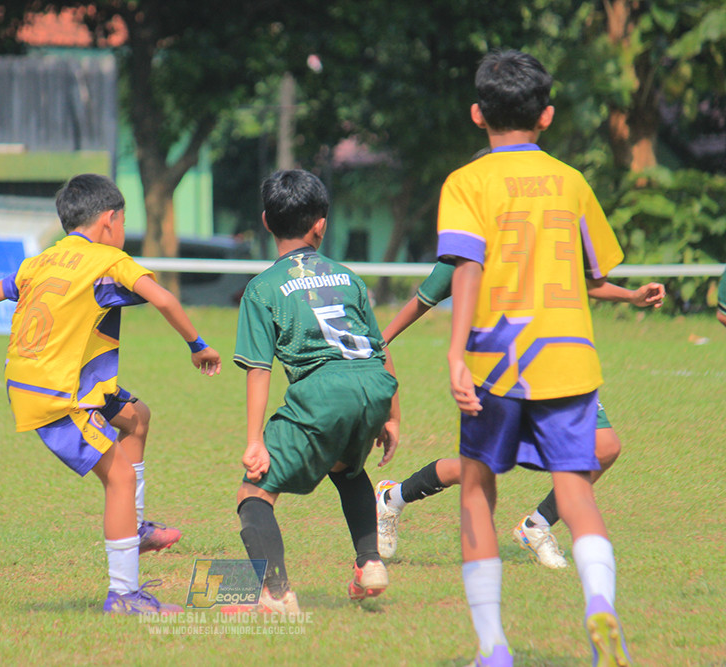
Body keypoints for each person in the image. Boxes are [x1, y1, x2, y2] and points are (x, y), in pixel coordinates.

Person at [0, 174, 222, 616]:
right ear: (110, 220)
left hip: (39, 381)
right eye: (123, 221)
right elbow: (166, 300)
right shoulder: (107, 260)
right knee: (119, 477)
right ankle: (124, 596)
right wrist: (198, 346)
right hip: (58, 395)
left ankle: (133, 527)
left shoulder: (41, 261)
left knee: (137, 417)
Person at [436, 50, 632, 666]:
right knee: (574, 491)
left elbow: (467, 266)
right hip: (569, 358)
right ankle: (600, 605)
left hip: (497, 360)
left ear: (476, 114)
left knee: (476, 491)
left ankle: (493, 646)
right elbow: (596, 269)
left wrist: (455, 351)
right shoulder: (572, 180)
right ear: (547, 116)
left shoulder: (466, 182)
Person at [374, 259, 665, 569]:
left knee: (605, 447)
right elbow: (423, 300)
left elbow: (584, 284)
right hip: (502, 371)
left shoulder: (545, 233)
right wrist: (380, 341)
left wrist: (631, 296)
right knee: (479, 469)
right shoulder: (471, 248)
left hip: (558, 364)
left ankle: (536, 527)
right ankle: (393, 498)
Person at [228, 169, 400, 615]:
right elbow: (380, 348)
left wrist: (254, 440)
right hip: (374, 384)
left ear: (266, 222)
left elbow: (259, 369)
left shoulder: (263, 288)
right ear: (320, 224)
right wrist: (392, 415)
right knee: (345, 468)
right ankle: (370, 564)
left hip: (324, 391)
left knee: (254, 493)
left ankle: (276, 595)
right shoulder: (347, 277)